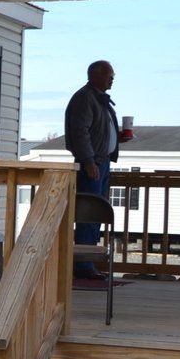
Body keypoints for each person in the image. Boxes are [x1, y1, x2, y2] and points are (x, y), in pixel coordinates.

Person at [65, 60, 123, 283]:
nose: (112, 79)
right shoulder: (85, 98)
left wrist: (116, 139)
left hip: (102, 161)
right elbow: (80, 132)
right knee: (89, 214)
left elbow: (97, 131)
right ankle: (83, 264)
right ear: (95, 75)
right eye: (109, 75)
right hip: (93, 163)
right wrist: (89, 161)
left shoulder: (98, 98)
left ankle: (87, 262)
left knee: (96, 214)